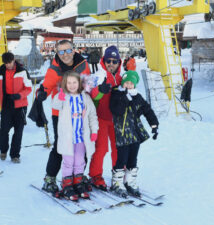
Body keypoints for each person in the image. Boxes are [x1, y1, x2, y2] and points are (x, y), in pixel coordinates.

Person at [35, 39, 91, 194]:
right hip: (61, 113)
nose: (65, 55)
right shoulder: (55, 68)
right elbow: (46, 85)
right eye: (61, 52)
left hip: (80, 111)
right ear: (57, 54)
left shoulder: (83, 65)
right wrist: (42, 93)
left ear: (73, 50)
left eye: (67, 51)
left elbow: (89, 85)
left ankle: (77, 176)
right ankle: (50, 178)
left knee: (81, 144)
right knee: (62, 145)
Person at [109, 70, 159, 197]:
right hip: (122, 134)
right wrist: (125, 98)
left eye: (131, 83)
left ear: (135, 85)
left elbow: (147, 110)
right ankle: (117, 182)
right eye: (126, 83)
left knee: (133, 158)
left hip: (135, 134)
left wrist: (154, 124)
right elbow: (116, 111)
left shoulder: (138, 97)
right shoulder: (117, 94)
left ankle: (129, 181)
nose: (128, 85)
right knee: (122, 158)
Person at [52, 71, 98, 201]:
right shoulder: (64, 97)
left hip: (81, 137)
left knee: (80, 161)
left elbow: (92, 116)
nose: (72, 85)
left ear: (79, 83)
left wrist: (94, 131)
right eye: (69, 83)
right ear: (65, 84)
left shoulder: (85, 98)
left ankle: (78, 183)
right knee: (68, 162)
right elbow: (55, 105)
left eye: (74, 82)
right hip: (68, 138)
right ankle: (67, 185)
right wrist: (59, 96)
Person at [89, 45, 123, 190]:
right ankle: (95, 175)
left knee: (118, 148)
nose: (111, 64)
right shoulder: (98, 75)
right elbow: (92, 95)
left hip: (117, 120)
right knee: (101, 149)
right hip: (101, 119)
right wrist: (100, 90)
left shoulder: (123, 76)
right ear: (104, 60)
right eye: (108, 61)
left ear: (119, 62)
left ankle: (118, 174)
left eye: (114, 61)